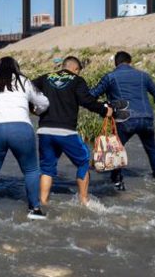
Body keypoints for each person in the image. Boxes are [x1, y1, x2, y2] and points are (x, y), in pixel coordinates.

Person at [0, 57, 49, 220]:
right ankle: (34, 209)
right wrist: (37, 111)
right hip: (21, 129)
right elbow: (44, 102)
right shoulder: (24, 81)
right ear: (16, 67)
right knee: (31, 170)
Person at [33, 56, 112, 206]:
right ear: (76, 69)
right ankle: (84, 201)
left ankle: (43, 202)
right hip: (66, 131)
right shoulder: (77, 80)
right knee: (83, 161)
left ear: (63, 66)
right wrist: (103, 110)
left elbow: (28, 88)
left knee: (46, 169)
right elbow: (86, 100)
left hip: (44, 131)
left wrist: (32, 108)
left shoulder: (45, 77)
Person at [90, 51, 155, 189]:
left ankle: (117, 182)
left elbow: (92, 95)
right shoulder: (143, 76)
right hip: (146, 118)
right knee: (151, 149)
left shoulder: (110, 77)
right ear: (130, 62)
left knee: (116, 150)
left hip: (125, 119)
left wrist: (103, 106)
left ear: (116, 63)